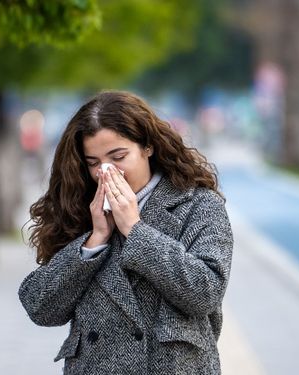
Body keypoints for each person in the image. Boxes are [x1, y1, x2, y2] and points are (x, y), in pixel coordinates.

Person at [18, 91, 233, 374]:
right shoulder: (79, 208)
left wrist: (136, 230)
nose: (105, 172)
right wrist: (94, 242)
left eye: (118, 156)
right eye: (93, 162)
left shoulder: (198, 204)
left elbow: (205, 291)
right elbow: (40, 307)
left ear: (148, 147)